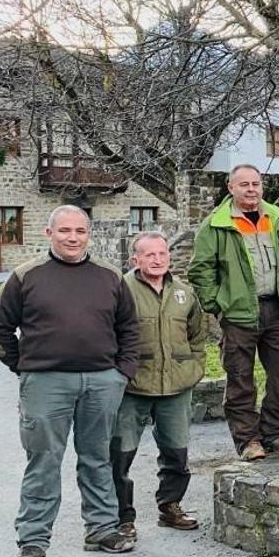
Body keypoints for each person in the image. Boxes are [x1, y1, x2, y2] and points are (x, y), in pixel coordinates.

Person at [0, 205, 139, 557]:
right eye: (65, 231)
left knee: (97, 457)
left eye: (80, 231)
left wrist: (122, 373)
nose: (73, 238)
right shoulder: (26, 277)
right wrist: (24, 367)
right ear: (49, 233)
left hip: (102, 382)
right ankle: (33, 540)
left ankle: (102, 528)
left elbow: (130, 329)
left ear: (89, 234)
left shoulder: (110, 277)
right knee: (44, 460)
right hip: (45, 384)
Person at [189, 164, 279, 460]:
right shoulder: (216, 225)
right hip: (239, 314)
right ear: (231, 188)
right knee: (240, 379)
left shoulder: (277, 219)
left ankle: (274, 433)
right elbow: (200, 270)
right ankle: (248, 440)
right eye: (244, 184)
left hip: (278, 309)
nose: (251, 189)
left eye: (255, 184)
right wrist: (217, 305)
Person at [110, 231, 206, 541]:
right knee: (120, 454)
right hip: (132, 387)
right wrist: (117, 374)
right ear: (134, 259)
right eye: (149, 254)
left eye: (162, 253)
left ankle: (170, 505)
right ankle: (122, 517)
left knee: (176, 452)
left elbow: (197, 335)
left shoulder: (184, 293)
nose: (157, 259)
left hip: (176, 386)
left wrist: (194, 367)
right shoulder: (120, 290)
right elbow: (107, 334)